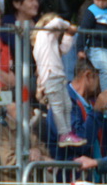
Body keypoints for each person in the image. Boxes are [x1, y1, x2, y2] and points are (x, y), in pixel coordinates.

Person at [33, 13, 82, 147]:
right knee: (58, 106)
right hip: (51, 75)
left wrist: (68, 35)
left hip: (58, 76)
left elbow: (64, 49)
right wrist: (69, 27)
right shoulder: (44, 35)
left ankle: (67, 133)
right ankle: (64, 134)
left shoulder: (50, 43)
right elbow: (56, 22)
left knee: (67, 105)